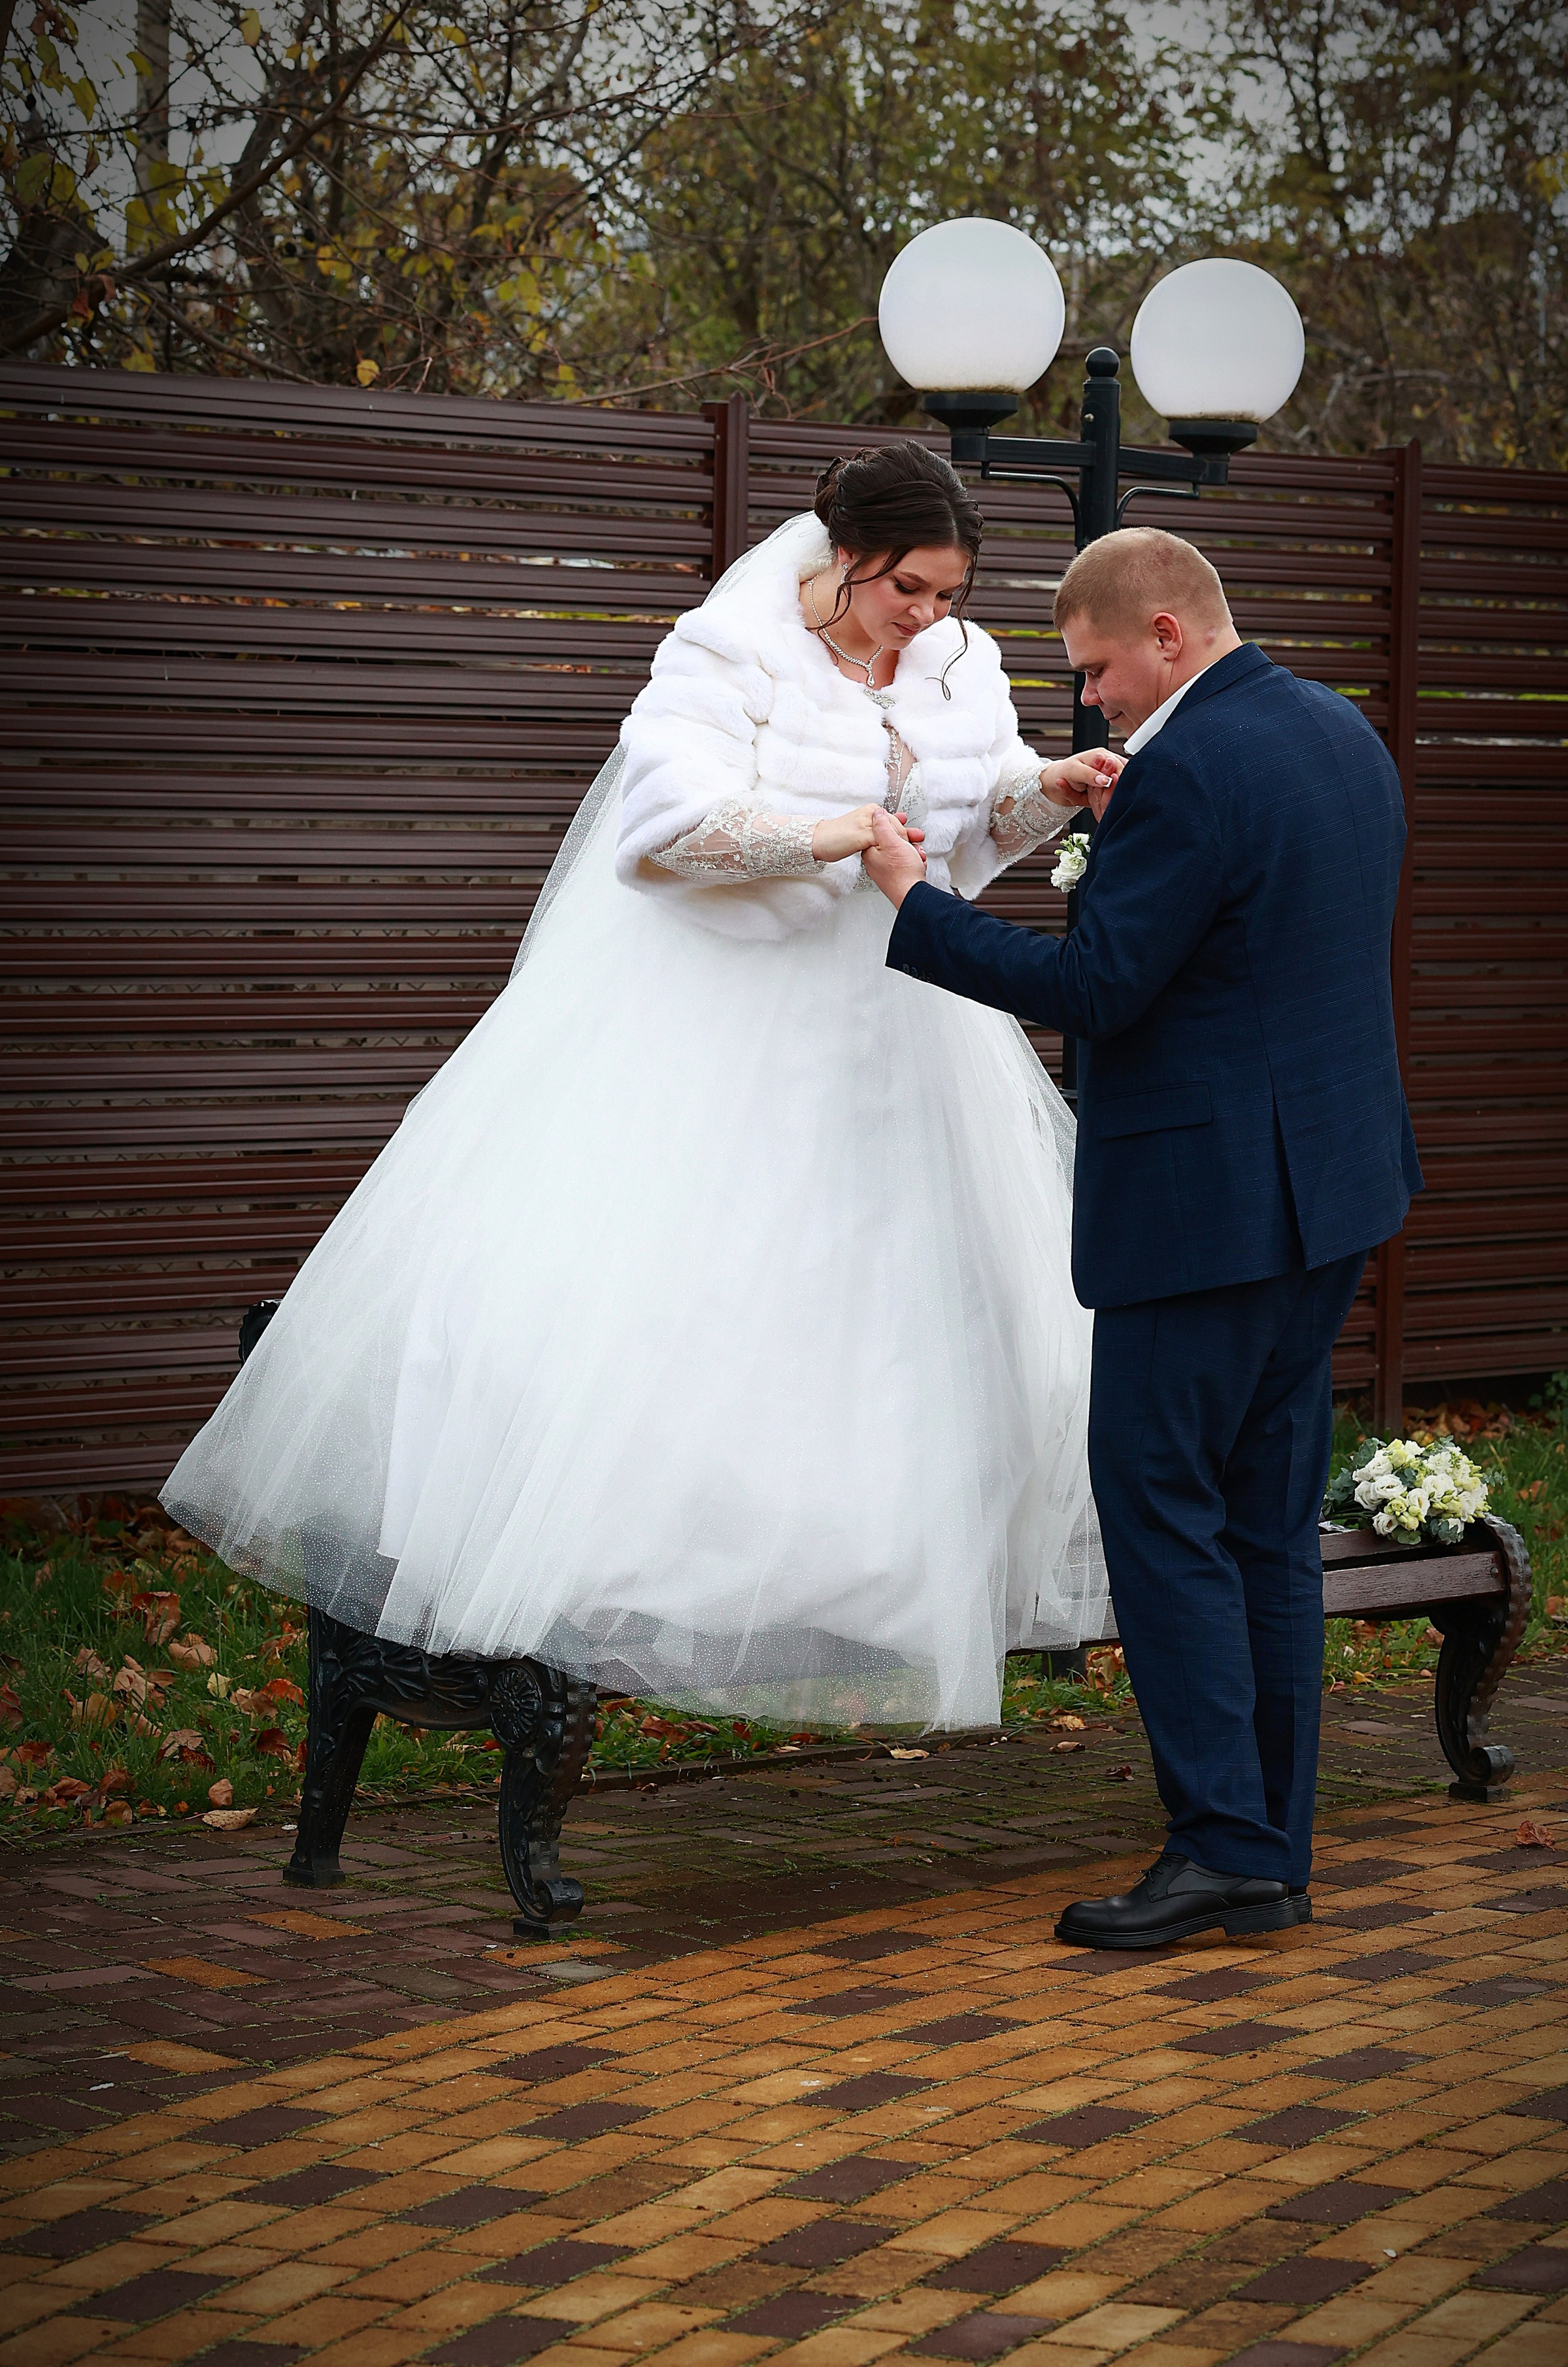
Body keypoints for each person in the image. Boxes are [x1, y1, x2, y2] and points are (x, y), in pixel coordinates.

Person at [161, 441, 1123, 1734]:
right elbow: (664, 840)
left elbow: (966, 829)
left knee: (901, 1307)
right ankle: (631, 1587)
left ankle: (866, 1564)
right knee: (686, 1292)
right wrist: (836, 832)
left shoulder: (955, 664)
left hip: (903, 1015)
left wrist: (1043, 793)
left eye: (949, 594)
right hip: (726, 1009)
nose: (931, 618)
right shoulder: (724, 655)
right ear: (845, 558)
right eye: (910, 590)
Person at [864, 526, 1422, 1946]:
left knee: (1163, 1518)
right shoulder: (1338, 738)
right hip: (1327, 1200)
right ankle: (1267, 1850)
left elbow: (1100, 989)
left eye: (1099, 669)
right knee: (1262, 1531)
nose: (1091, 699)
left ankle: (1221, 1846)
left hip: (1201, 1216)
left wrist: (915, 906)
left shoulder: (1188, 773)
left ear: (1165, 633)